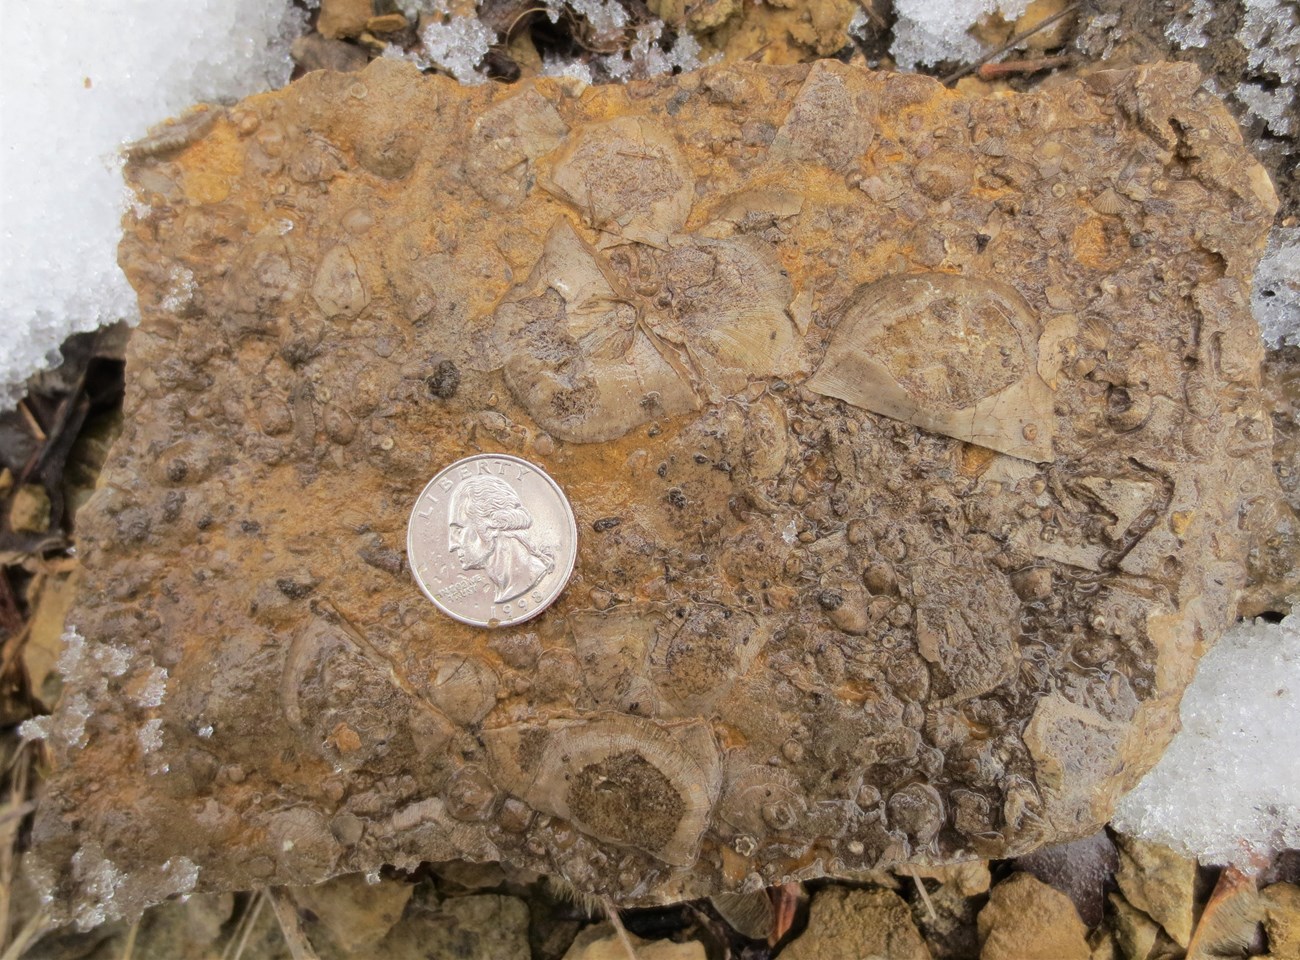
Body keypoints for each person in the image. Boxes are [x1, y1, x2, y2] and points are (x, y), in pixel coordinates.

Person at [447, 474, 555, 604]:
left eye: (458, 531)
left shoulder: (524, 582)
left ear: (491, 526)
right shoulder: (506, 589)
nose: (451, 545)